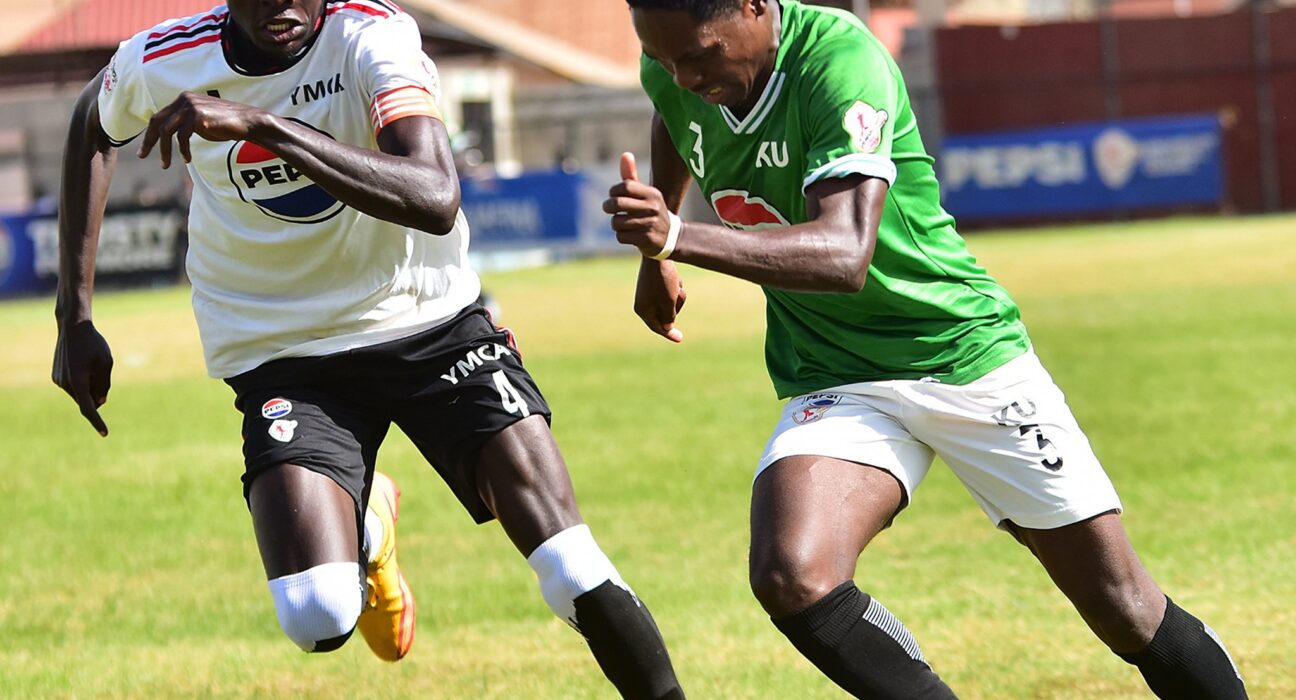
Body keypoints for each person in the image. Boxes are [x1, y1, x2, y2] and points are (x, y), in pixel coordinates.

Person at [606, 1, 1247, 698]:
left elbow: (845, 253)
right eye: (665, 61)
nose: (684, 77)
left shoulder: (837, 59)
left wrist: (675, 239)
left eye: (700, 57)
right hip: (834, 371)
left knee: (1124, 608)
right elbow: (676, 115)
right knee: (793, 574)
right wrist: (655, 256)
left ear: (755, 5)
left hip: (961, 354)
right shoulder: (674, 65)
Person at [51, 2, 685, 697]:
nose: (284, 4)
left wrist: (264, 126)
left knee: (568, 562)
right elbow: (93, 123)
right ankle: (369, 527)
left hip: (433, 327)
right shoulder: (164, 58)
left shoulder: (372, 35)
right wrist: (74, 316)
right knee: (315, 613)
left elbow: (436, 195)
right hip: (285, 352)